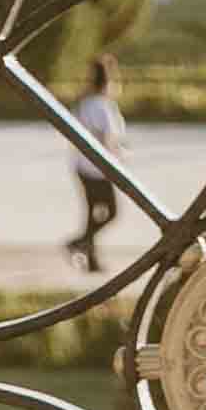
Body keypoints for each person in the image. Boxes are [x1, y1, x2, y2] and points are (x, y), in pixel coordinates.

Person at [64, 66, 128, 274]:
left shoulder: (84, 104)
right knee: (111, 212)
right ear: (108, 83)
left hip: (81, 166)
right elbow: (107, 137)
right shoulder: (102, 105)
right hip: (99, 168)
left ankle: (90, 259)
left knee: (92, 214)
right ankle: (79, 243)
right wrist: (117, 159)